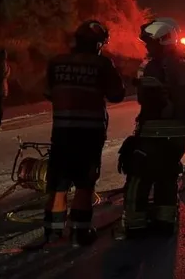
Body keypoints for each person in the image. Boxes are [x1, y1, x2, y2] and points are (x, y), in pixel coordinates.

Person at [117, 17, 185, 239]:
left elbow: (146, 99)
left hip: (152, 135)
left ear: (162, 41)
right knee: (167, 177)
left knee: (139, 176)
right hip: (178, 137)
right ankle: (165, 222)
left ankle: (135, 224)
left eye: (151, 43)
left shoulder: (152, 67)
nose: (148, 48)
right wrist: (182, 115)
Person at [42, 20, 126, 246]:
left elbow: (48, 92)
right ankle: (80, 234)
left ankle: (52, 233)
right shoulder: (102, 64)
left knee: (59, 183)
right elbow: (117, 94)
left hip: (62, 132)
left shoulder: (56, 62)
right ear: (98, 44)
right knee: (84, 183)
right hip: (89, 134)